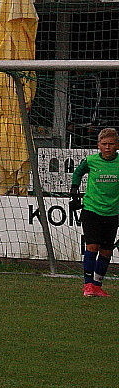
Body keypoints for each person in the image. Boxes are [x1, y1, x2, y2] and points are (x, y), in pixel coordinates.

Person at [70, 127, 119, 298]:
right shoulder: (91, 161)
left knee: (106, 251)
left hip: (112, 212)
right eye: (104, 144)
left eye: (111, 144)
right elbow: (77, 173)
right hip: (92, 209)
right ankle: (88, 285)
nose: (107, 147)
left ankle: (97, 285)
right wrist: (74, 192)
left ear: (117, 145)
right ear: (98, 145)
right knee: (92, 246)